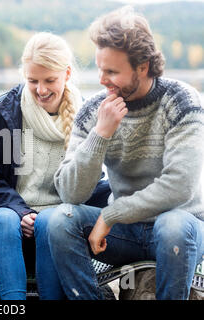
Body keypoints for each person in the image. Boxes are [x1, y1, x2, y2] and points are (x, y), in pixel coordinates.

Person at [48, 6, 204, 300]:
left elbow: (179, 185)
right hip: (125, 234)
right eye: (99, 68)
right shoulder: (94, 110)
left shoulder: (181, 100)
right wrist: (100, 134)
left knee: (172, 226)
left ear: (143, 66)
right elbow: (70, 192)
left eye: (112, 71)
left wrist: (110, 216)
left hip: (181, 225)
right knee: (61, 220)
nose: (102, 79)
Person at [0, 32, 111, 300]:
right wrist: (19, 210)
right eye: (32, 81)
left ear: (67, 74)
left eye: (49, 80)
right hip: (11, 225)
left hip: (59, 229)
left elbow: (92, 183)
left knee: (51, 221)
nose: (41, 89)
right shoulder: (2, 112)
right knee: (4, 219)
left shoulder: (87, 115)